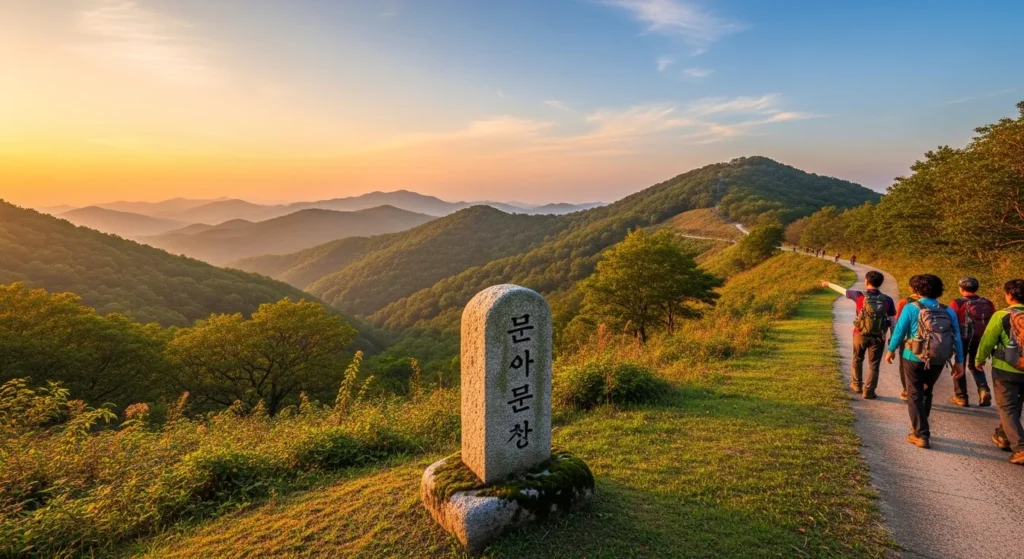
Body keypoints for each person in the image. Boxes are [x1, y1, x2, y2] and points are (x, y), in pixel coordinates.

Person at [886, 274, 965, 449]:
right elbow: (957, 336)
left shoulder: (911, 307)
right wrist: (959, 360)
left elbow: (899, 331)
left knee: (914, 394)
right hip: (938, 358)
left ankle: (921, 434)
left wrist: (891, 350)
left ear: (918, 289)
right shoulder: (948, 310)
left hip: (913, 357)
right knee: (927, 392)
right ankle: (919, 426)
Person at [822, 271, 896, 399]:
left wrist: (828, 284)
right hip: (878, 336)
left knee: (857, 358)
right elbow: (893, 322)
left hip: (859, 334)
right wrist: (892, 340)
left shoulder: (858, 295)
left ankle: (856, 384)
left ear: (866, 281)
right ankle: (869, 391)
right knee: (874, 364)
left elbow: (842, 290)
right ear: (880, 283)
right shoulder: (887, 300)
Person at [976, 279, 1024, 466]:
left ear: (1009, 295)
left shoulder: (1002, 315)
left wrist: (979, 359)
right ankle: (1004, 436)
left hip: (1006, 368)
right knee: (1016, 404)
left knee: (1007, 407)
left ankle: (1020, 447)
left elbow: (988, 339)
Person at [948, 277, 995, 407]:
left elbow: (951, 321)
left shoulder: (957, 303)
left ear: (961, 289)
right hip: (981, 338)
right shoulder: (988, 303)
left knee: (959, 365)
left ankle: (961, 397)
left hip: (962, 338)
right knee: (976, 364)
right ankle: (984, 390)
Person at [894, 276, 922, 401]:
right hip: (927, 339)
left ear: (910, 287)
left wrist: (892, 346)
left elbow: (898, 322)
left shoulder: (904, 302)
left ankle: (907, 390)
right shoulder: (933, 303)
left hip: (908, 340)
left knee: (904, 364)